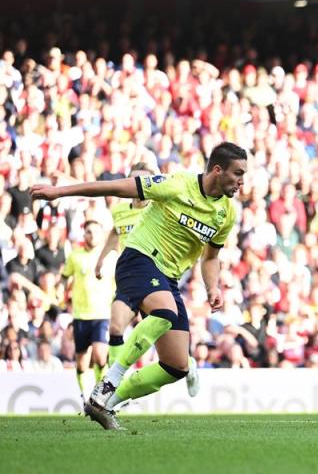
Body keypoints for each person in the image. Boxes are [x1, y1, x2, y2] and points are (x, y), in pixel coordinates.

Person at [31, 142, 246, 430]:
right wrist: (59, 193)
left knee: (176, 365)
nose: (242, 181)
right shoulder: (177, 184)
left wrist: (213, 288)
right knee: (163, 313)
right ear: (217, 170)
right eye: (237, 173)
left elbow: (211, 257)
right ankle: (109, 379)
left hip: (168, 278)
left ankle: (106, 402)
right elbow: (116, 188)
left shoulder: (226, 214)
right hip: (139, 258)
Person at [95, 161, 200, 397]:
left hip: (156, 274)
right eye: (134, 180)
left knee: (163, 326)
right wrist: (101, 259)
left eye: (143, 180)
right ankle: (112, 383)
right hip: (130, 276)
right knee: (115, 325)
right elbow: (116, 232)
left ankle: (186, 360)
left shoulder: (159, 208)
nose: (138, 186)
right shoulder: (120, 211)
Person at [63, 220, 113, 402]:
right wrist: (63, 296)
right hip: (80, 315)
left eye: (96, 232)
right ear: (84, 234)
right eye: (89, 232)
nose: (92, 236)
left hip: (102, 315)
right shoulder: (75, 256)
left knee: (100, 357)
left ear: (102, 235)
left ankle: (100, 397)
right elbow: (64, 277)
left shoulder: (109, 258)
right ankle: (85, 398)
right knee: (82, 363)